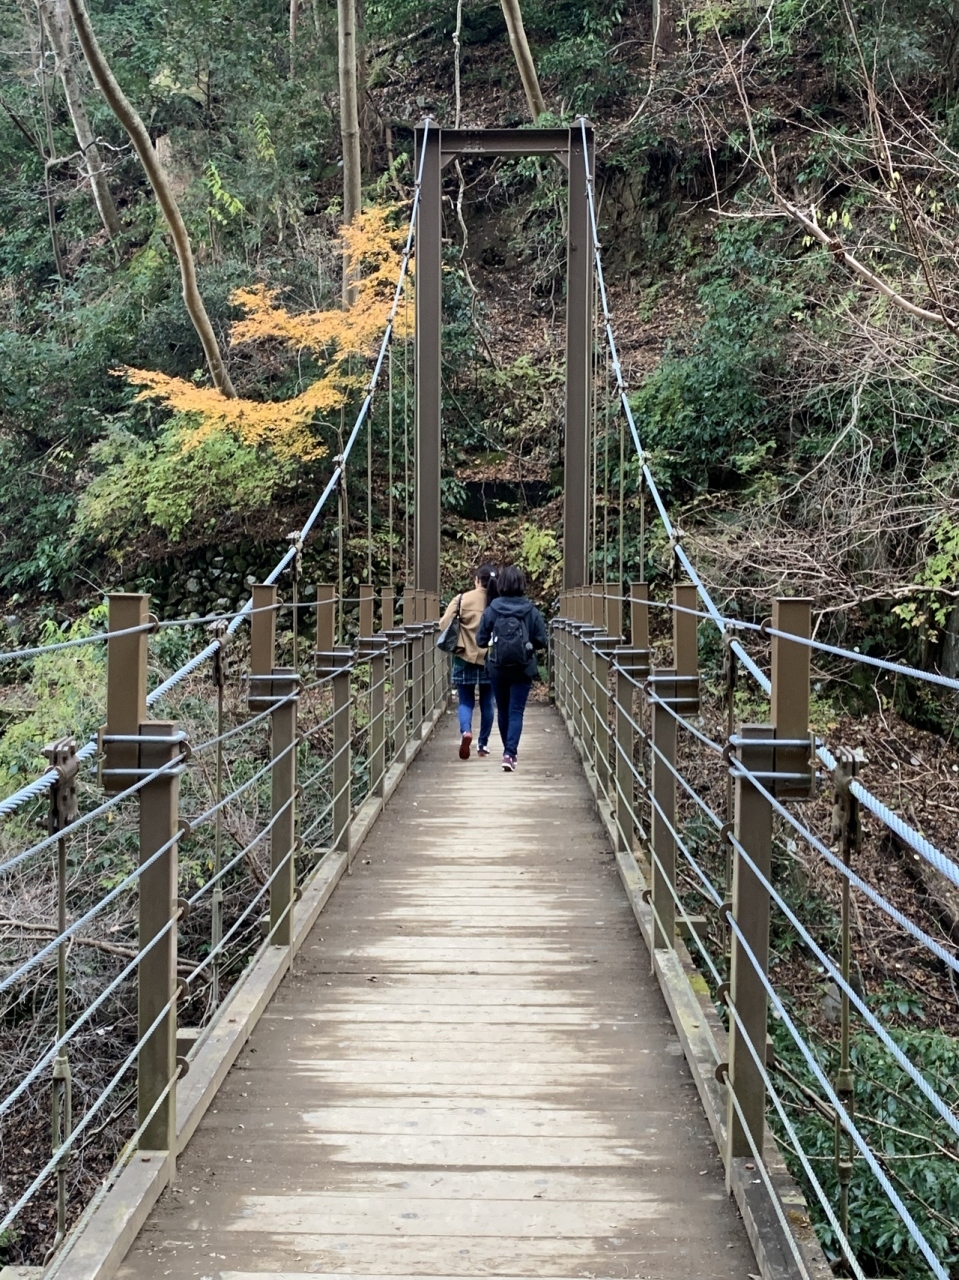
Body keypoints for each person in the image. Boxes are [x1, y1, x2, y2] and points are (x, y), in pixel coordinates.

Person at [476, 564, 548, 772]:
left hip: (497, 667)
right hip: (523, 668)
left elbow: (481, 640)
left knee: (503, 709)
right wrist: (527, 646)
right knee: (516, 711)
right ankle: (510, 753)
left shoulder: (492, 610)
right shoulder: (531, 610)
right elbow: (542, 640)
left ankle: (507, 751)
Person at [438, 564, 499, 760]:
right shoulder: (499, 601)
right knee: (488, 702)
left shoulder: (462, 599)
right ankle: (483, 745)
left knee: (465, 701)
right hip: (490, 658)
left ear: (476, 580)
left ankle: (466, 732)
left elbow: (443, 624)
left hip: (464, 657)